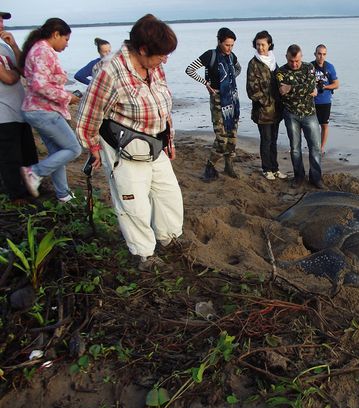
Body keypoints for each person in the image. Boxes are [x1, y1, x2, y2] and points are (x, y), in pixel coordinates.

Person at [75, 14, 183, 272]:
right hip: (125, 149)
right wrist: (93, 148)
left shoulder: (154, 65)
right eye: (161, 55)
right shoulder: (110, 72)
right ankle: (145, 255)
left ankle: (169, 239)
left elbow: (163, 105)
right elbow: (88, 116)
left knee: (169, 196)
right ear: (143, 49)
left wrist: (169, 138)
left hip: (156, 144)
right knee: (133, 204)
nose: (165, 60)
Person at [19, 17, 82, 202]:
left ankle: (63, 194)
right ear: (56, 34)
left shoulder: (40, 49)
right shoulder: (42, 51)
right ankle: (34, 172)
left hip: (38, 109)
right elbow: (40, 86)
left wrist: (65, 93)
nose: (67, 44)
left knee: (57, 153)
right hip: (42, 111)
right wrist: (67, 97)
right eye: (66, 39)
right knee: (73, 148)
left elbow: (44, 82)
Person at [185, 27, 241, 181]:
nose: (229, 48)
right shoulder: (211, 55)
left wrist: (229, 79)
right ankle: (210, 165)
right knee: (221, 138)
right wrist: (206, 83)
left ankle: (229, 166)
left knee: (232, 136)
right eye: (227, 45)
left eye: (232, 45)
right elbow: (190, 70)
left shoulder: (231, 56)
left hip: (232, 99)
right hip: (217, 99)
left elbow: (238, 68)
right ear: (219, 41)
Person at [0, 11, 39, 203]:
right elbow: (8, 78)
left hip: (19, 110)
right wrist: (14, 72)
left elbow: (24, 70)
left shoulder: (4, 47)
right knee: (10, 156)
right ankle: (16, 195)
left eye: (2, 20)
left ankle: (31, 189)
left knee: (28, 153)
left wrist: (14, 45)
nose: (1, 24)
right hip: (3, 113)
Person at [276, 44, 323, 189]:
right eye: (291, 61)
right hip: (291, 115)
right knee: (295, 148)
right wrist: (303, 89)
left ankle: (316, 178)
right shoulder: (280, 72)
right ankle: (299, 177)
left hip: (310, 114)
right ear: (286, 57)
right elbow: (282, 92)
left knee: (315, 147)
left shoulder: (309, 67)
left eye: (297, 61)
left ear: (301, 57)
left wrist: (291, 87)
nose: (294, 64)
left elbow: (311, 87)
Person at [246, 30, 286, 181]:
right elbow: (251, 90)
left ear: (269, 45)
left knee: (274, 140)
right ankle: (266, 168)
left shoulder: (274, 61)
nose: (260, 47)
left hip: (277, 109)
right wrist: (265, 102)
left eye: (263, 44)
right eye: (258, 44)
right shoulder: (253, 64)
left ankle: (275, 168)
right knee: (266, 139)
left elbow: (280, 82)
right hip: (263, 111)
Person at [311, 44, 339, 154]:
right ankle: (312, 145)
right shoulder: (310, 66)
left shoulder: (330, 67)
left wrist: (325, 87)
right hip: (312, 101)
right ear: (315, 54)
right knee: (311, 125)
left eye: (324, 54)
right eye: (319, 54)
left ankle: (321, 148)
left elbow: (336, 84)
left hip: (325, 101)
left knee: (324, 125)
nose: (321, 56)